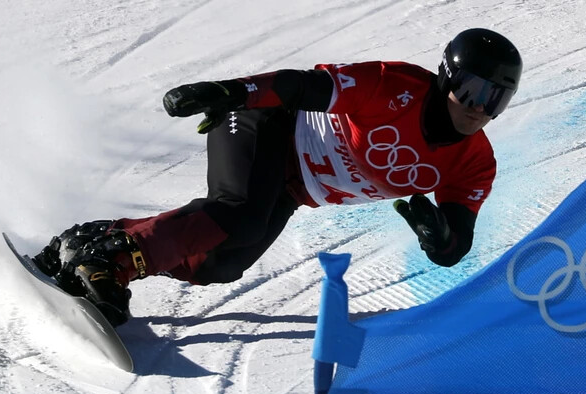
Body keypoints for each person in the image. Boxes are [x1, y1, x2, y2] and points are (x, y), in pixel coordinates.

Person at [32, 28, 523, 327]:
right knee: (238, 215)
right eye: (472, 90)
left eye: (496, 99)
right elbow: (304, 85)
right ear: (446, 78)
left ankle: (101, 240)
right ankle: (112, 261)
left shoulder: (474, 162)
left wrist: (438, 237)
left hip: (294, 188)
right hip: (265, 121)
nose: (479, 108)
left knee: (220, 265)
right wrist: (233, 91)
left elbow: (456, 244)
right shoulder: (395, 86)